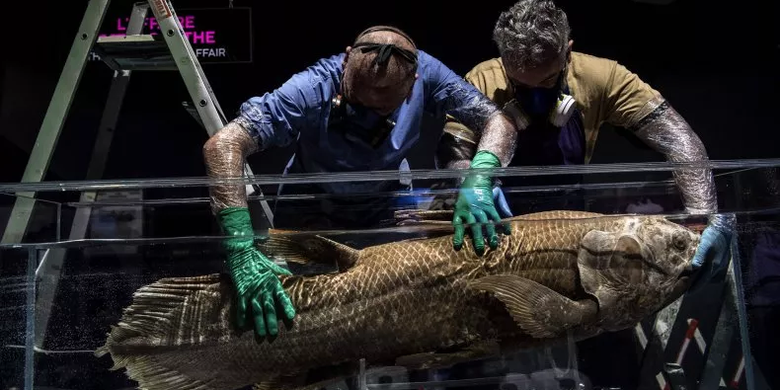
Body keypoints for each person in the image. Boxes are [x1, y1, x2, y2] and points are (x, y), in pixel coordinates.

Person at [202, 25, 517, 341]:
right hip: (310, 205)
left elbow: (498, 121)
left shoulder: (429, 73)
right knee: (302, 318)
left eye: (381, 107)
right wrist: (239, 245)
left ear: (413, 83)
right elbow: (224, 145)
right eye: (355, 97)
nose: (367, 112)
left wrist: (480, 178)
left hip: (384, 205)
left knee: (387, 313)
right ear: (346, 60)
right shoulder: (312, 87)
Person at [437, 0, 733, 291]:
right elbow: (452, 151)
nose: (536, 97)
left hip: (569, 221)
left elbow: (679, 139)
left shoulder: (602, 77)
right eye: (522, 86)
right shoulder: (483, 80)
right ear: (503, 60)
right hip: (493, 223)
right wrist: (473, 185)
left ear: (567, 52)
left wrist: (702, 219)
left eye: (548, 80)